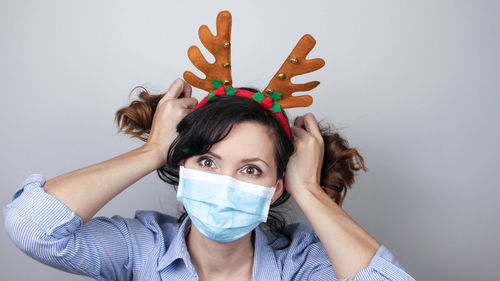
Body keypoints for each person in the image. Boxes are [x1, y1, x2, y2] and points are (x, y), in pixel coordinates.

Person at [4, 78, 415, 280]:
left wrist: (307, 189)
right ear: (181, 167)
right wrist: (151, 151)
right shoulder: (143, 249)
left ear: (276, 189)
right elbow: (31, 225)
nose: (225, 182)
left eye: (250, 169)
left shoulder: (301, 264)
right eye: (207, 162)